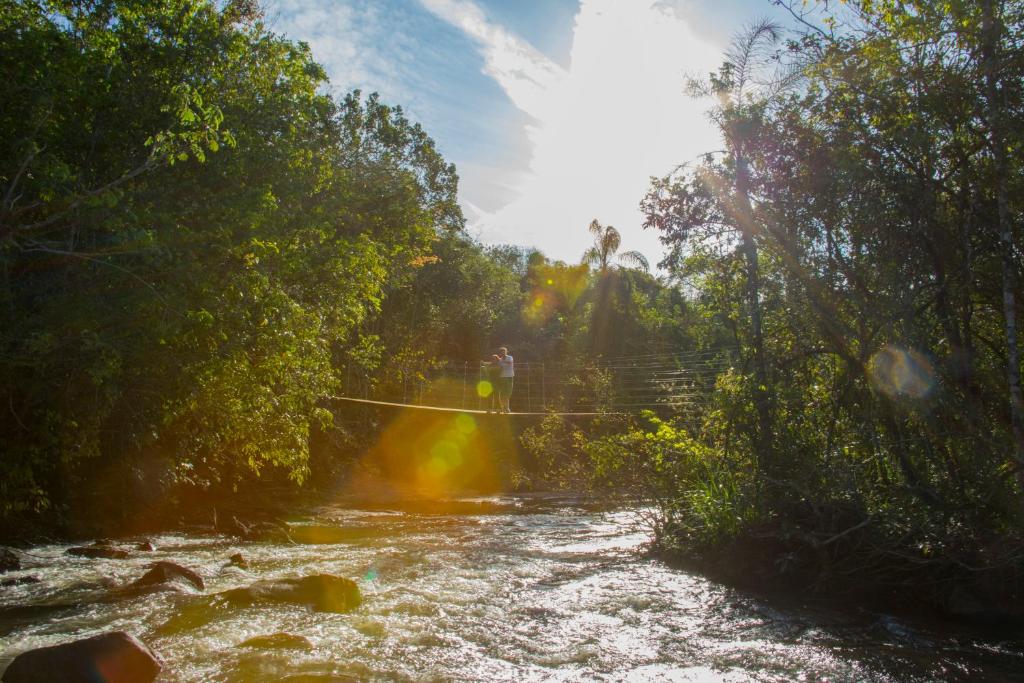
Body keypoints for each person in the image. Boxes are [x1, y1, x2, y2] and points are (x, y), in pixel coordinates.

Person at [496, 347, 514, 413]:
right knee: (502, 393)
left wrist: (500, 360)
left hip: (510, 377)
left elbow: (509, 362)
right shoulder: (499, 360)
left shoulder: (510, 357)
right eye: (501, 352)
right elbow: (493, 364)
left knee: (508, 393)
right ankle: (504, 408)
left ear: (506, 352)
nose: (503, 353)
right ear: (500, 353)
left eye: (504, 351)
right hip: (502, 377)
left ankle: (506, 407)